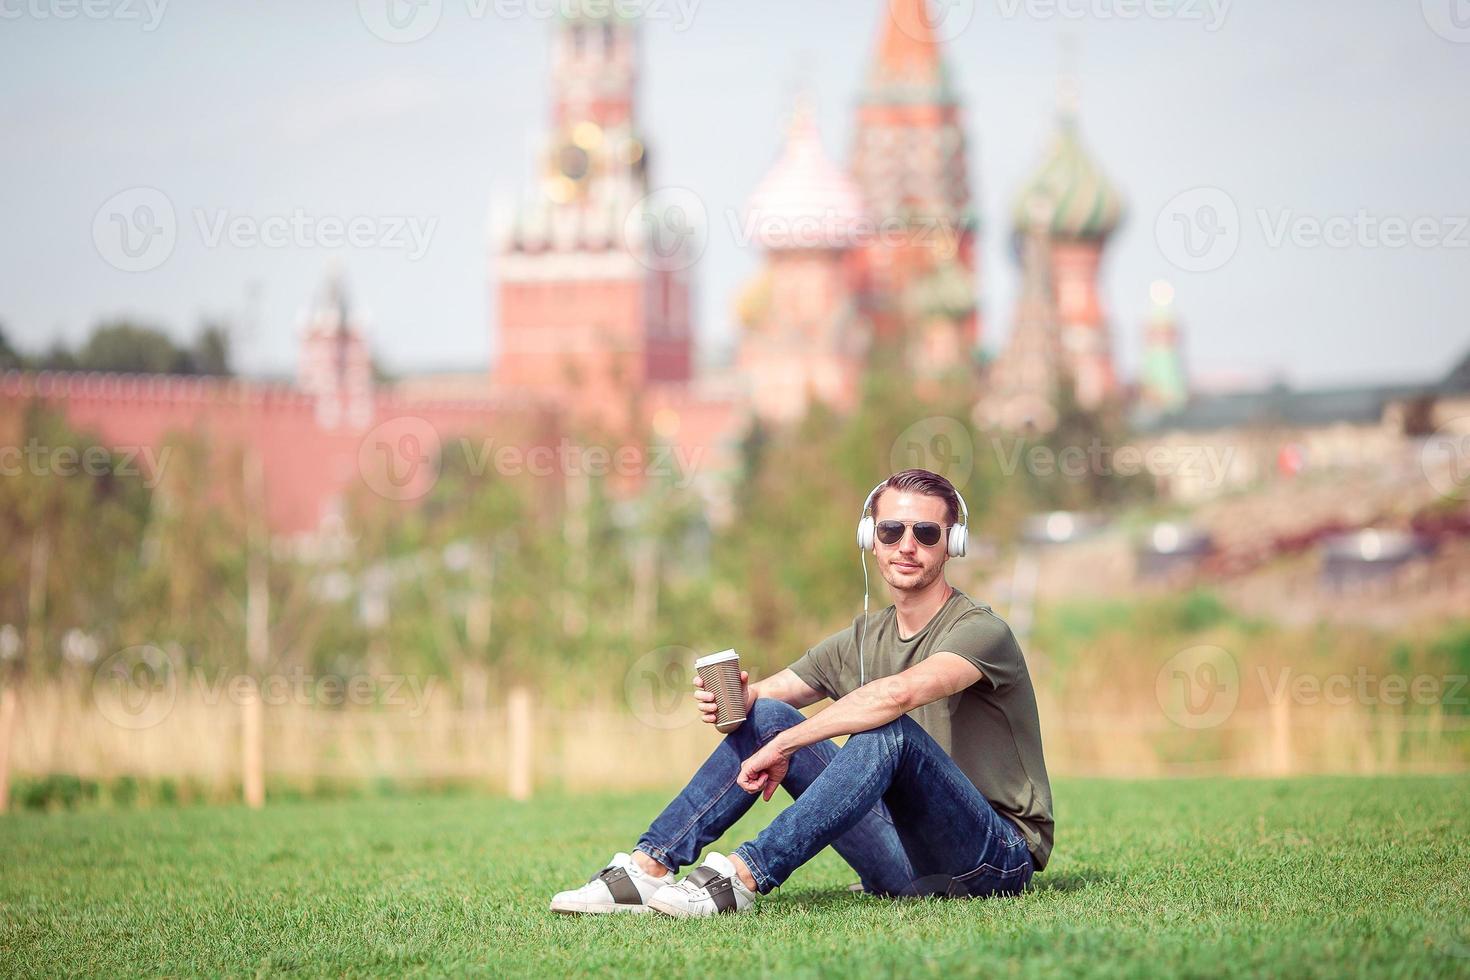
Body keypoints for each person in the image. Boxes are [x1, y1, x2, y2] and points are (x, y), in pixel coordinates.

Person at [549, 468, 1053, 917]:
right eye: (891, 530)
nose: (906, 545)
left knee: (887, 732)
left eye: (925, 532)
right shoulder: (862, 637)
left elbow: (896, 696)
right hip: (901, 866)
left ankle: (742, 877)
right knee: (769, 716)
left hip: (992, 859)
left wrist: (787, 747)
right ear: (870, 539)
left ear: (952, 543)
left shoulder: (981, 631)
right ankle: (647, 868)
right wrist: (736, 706)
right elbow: (769, 701)